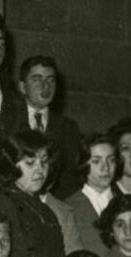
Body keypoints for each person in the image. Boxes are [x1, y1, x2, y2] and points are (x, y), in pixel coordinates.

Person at [0, 132, 68, 257]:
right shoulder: (5, 206)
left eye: (44, 162)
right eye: (30, 163)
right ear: (11, 164)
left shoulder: (46, 210)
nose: (40, 170)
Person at [11, 55, 83, 199]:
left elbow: (71, 176)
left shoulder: (69, 127)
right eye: (37, 79)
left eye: (51, 79)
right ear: (22, 87)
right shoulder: (10, 121)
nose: (45, 86)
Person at [65, 133, 118, 257]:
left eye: (111, 160)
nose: (105, 167)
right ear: (84, 164)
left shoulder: (125, 202)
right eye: (96, 161)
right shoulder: (68, 208)